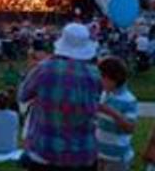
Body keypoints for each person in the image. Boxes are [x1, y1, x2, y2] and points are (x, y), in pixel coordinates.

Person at [19, 23, 101, 171]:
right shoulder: (95, 74)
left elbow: (23, 95)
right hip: (83, 154)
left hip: (46, 152)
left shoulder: (44, 69)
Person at [97, 56, 138, 171]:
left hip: (117, 158)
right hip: (99, 153)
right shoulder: (104, 94)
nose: (100, 80)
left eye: (102, 77)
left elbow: (130, 128)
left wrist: (110, 112)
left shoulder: (128, 100)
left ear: (114, 78)